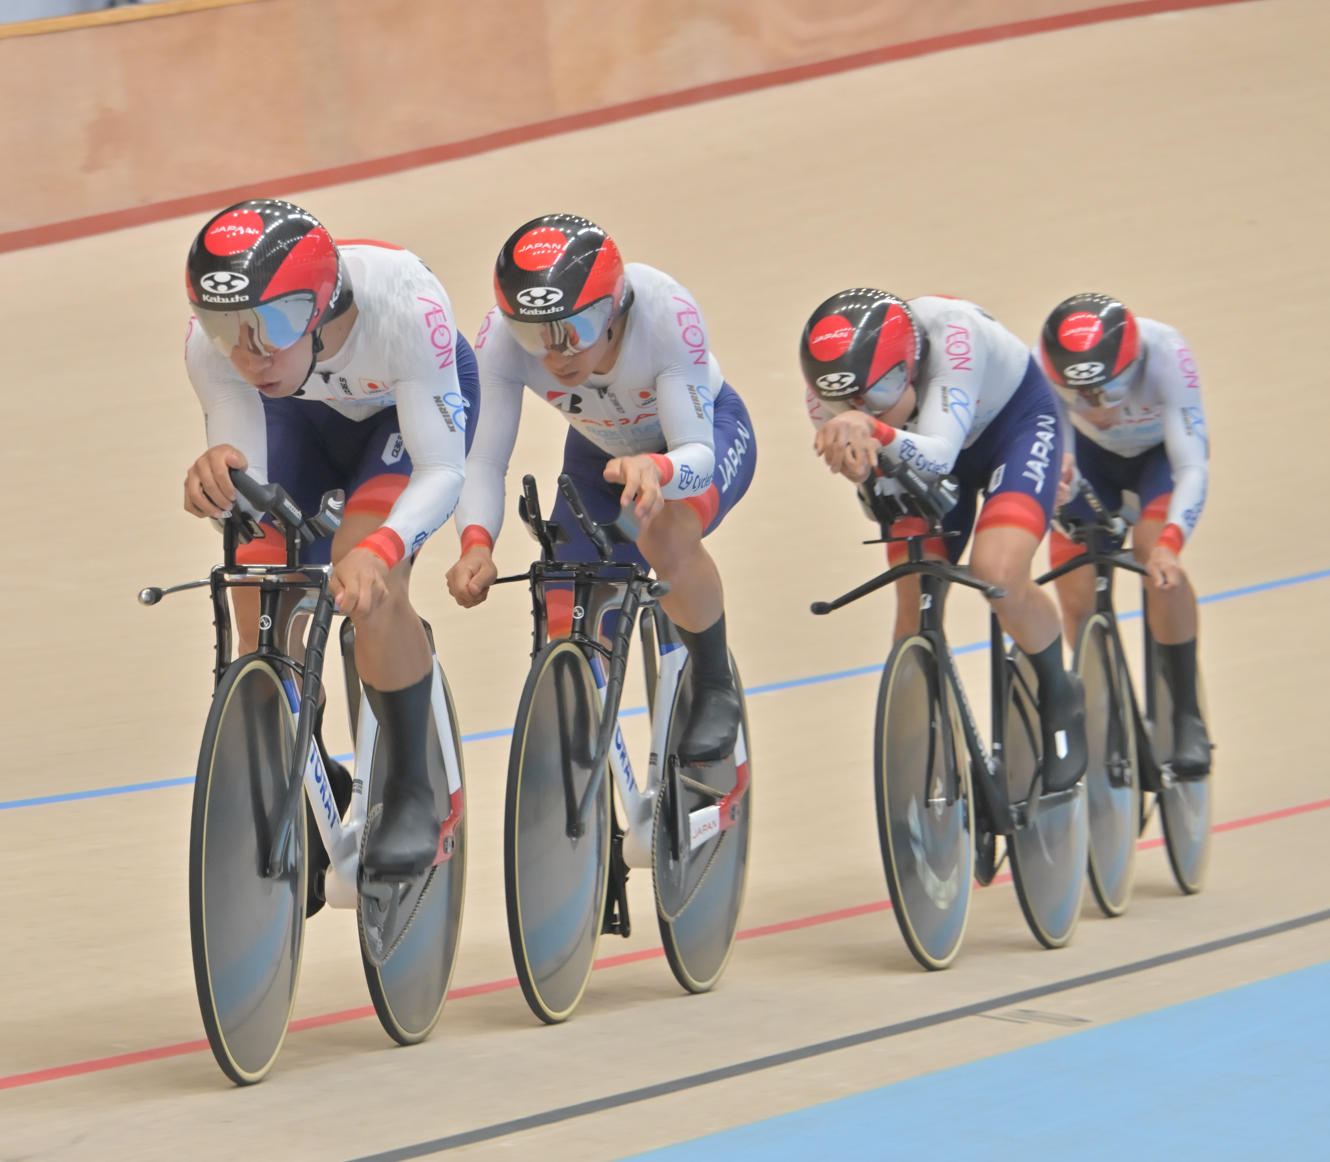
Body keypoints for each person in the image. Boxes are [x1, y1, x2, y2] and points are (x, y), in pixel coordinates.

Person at [182, 199, 475, 878]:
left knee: (366, 581)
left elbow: (442, 470)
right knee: (259, 587)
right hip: (300, 421)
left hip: (399, 427)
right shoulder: (218, 352)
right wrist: (219, 480)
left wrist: (382, 551)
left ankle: (409, 789)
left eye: (271, 325)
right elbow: (250, 479)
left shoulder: (407, 306)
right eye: (223, 325)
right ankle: (307, 777)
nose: (246, 352)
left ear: (321, 305)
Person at [445, 214, 755, 763]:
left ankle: (714, 684)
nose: (555, 353)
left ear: (614, 310)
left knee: (664, 531)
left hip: (695, 440)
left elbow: (698, 457)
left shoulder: (664, 311)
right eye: (533, 334)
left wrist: (658, 470)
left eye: (574, 331)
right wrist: (476, 542)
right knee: (568, 610)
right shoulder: (499, 340)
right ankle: (593, 799)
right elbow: (484, 460)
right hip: (600, 456)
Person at [802, 288, 1086, 791]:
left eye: (875, 397)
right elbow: (874, 480)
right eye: (843, 401)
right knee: (913, 606)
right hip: (917, 450)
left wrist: (873, 430)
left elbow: (936, 453)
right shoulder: (829, 392)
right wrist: (863, 472)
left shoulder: (956, 335)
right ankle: (927, 771)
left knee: (998, 573)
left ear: (908, 369)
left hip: (1011, 429)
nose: (855, 407)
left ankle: (1061, 693)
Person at [1039, 293, 1211, 776]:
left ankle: (1187, 713)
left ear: (1133, 367)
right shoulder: (1042, 365)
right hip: (1090, 463)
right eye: (1077, 395)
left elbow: (1193, 465)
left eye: (1107, 390)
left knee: (1154, 558)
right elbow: (1060, 459)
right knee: (1075, 596)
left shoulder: (1167, 355)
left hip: (1156, 460)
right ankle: (1109, 713)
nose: (1094, 407)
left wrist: (1171, 546)